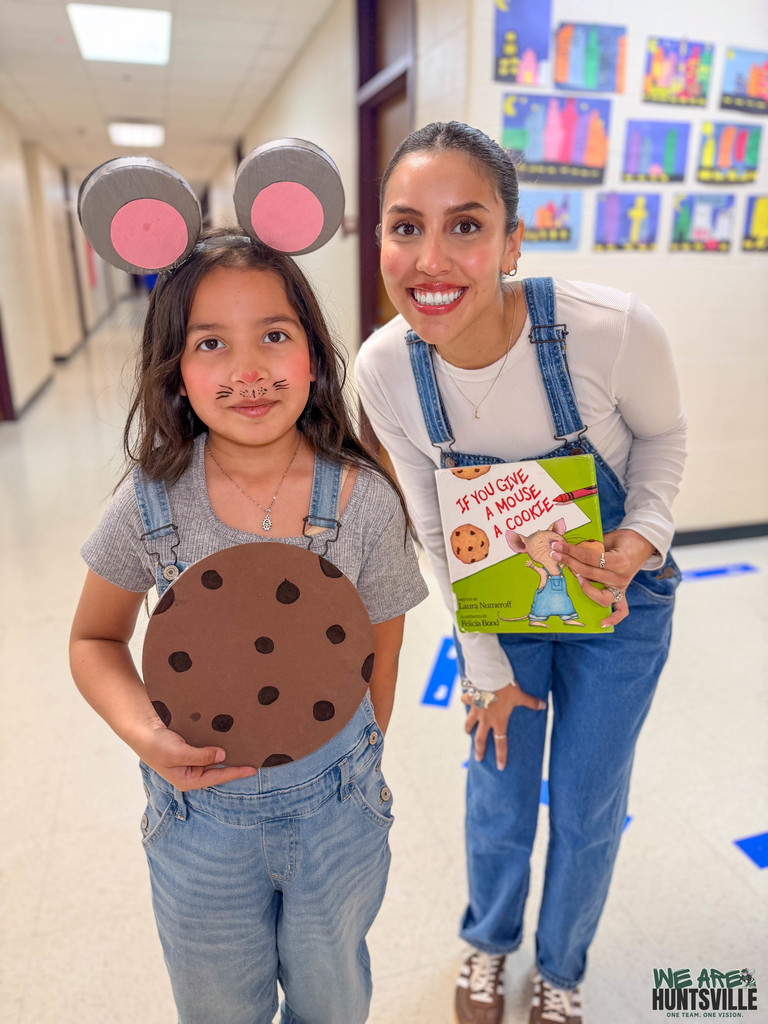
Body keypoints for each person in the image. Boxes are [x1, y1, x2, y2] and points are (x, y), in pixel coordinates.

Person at [355, 122, 686, 1024]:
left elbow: (662, 440)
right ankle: (489, 944)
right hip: (497, 608)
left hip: (619, 604)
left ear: (512, 239)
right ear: (378, 239)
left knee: (586, 803)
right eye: (403, 226)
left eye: (465, 226)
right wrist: (485, 668)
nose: (430, 259)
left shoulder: (607, 330)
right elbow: (433, 525)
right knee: (498, 788)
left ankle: (563, 966)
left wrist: (639, 539)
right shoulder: (386, 368)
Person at [70, 228, 428, 1024]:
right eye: (210, 344)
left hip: (341, 808)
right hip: (197, 823)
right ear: (175, 369)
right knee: (217, 1008)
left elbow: (385, 651)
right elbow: (92, 640)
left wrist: (356, 764)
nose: (249, 371)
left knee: (333, 999)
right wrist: (145, 736)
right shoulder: (149, 502)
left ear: (312, 352)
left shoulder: (365, 498)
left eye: (274, 335)